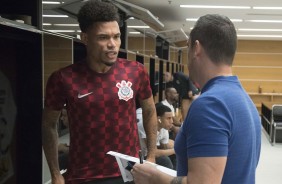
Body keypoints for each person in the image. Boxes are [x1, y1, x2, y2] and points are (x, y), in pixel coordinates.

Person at [131, 14, 261, 184]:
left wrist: (153, 177)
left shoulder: (209, 104)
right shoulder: (243, 98)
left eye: (188, 47)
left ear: (196, 48)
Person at [42, 1, 157, 184]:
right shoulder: (63, 78)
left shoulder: (135, 71)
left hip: (128, 171)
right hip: (82, 176)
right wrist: (55, 174)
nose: (112, 44)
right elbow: (48, 125)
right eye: (103, 37)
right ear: (85, 38)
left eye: (116, 36)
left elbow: (150, 111)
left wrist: (151, 156)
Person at [137, 103, 175, 169]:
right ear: (158, 119)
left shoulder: (164, 127)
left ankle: (177, 176)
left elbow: (165, 147)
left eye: (171, 118)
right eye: (168, 118)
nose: (171, 121)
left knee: (174, 155)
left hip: (149, 154)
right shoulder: (145, 125)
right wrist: (176, 150)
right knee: (165, 160)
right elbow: (153, 152)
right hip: (139, 156)